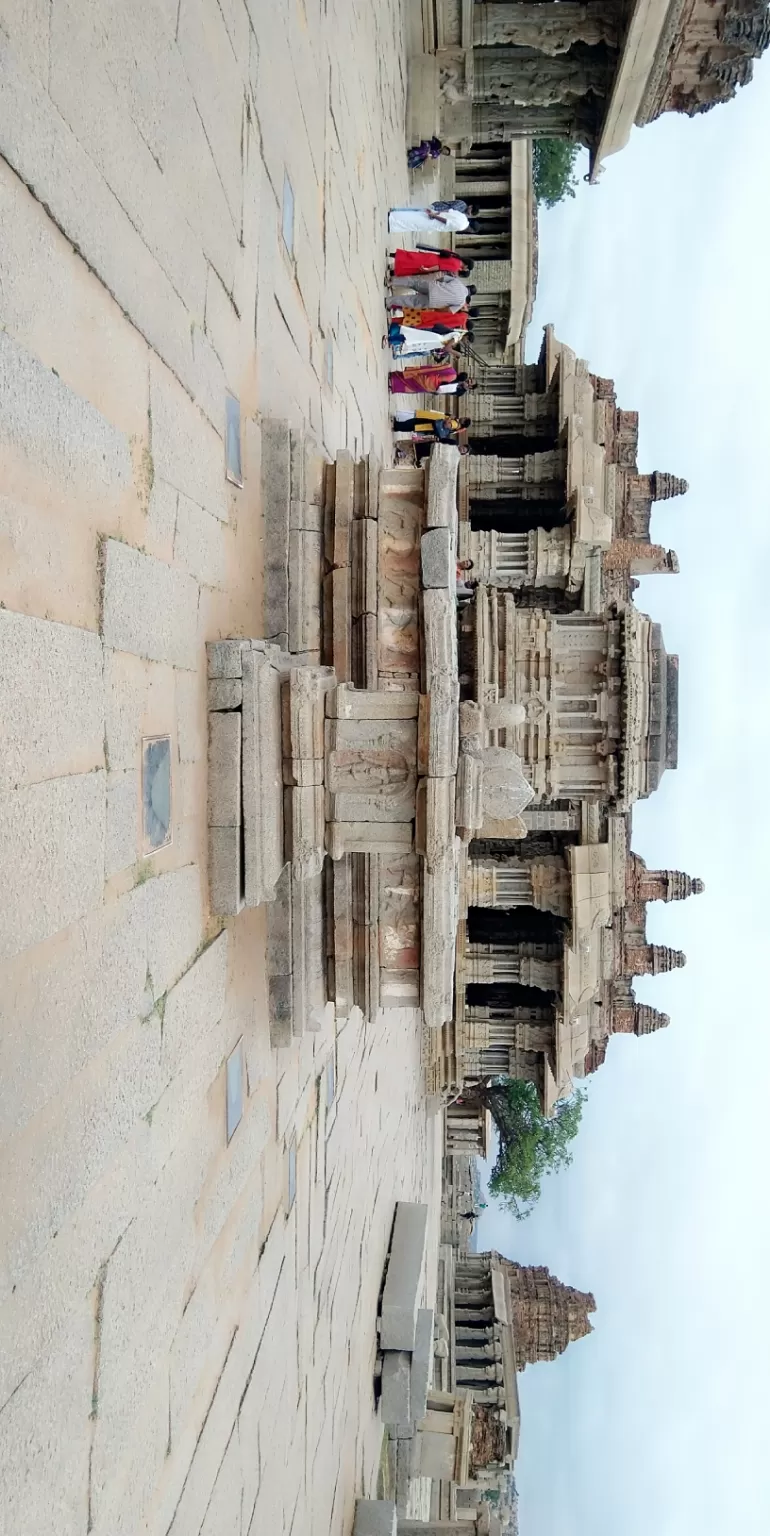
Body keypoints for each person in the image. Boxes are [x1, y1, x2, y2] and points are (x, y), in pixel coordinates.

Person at [391, 274, 475, 311]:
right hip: (434, 302)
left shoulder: (458, 282)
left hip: (433, 287)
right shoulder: (461, 302)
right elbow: (449, 310)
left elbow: (442, 278)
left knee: (413, 283)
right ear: (469, 295)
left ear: (468, 286)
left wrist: (435, 283)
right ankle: (389, 301)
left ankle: (392, 281)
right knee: (410, 300)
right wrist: (437, 309)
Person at [388, 204, 471, 234]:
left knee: (415, 215)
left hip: (436, 214)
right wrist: (434, 216)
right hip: (435, 222)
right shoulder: (461, 226)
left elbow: (449, 210)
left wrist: (436, 213)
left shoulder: (463, 216)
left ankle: (394, 215)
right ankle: (393, 224)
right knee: (414, 224)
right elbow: (447, 222)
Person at [392, 249, 473, 279]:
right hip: (431, 264)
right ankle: (393, 271)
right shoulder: (455, 267)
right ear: (466, 265)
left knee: (411, 256)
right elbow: (440, 267)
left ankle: (392, 254)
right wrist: (428, 269)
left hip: (432, 257)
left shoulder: (456, 256)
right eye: (467, 268)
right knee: (412, 267)